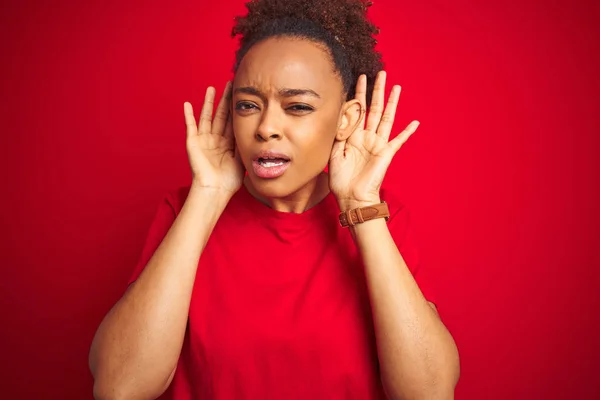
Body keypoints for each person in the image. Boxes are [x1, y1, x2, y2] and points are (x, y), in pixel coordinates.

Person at [89, 0, 460, 399]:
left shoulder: (378, 215)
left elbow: (429, 392)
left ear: (346, 119)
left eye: (297, 106)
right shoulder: (184, 210)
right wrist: (208, 197)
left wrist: (359, 205)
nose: (266, 128)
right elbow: (118, 386)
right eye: (248, 105)